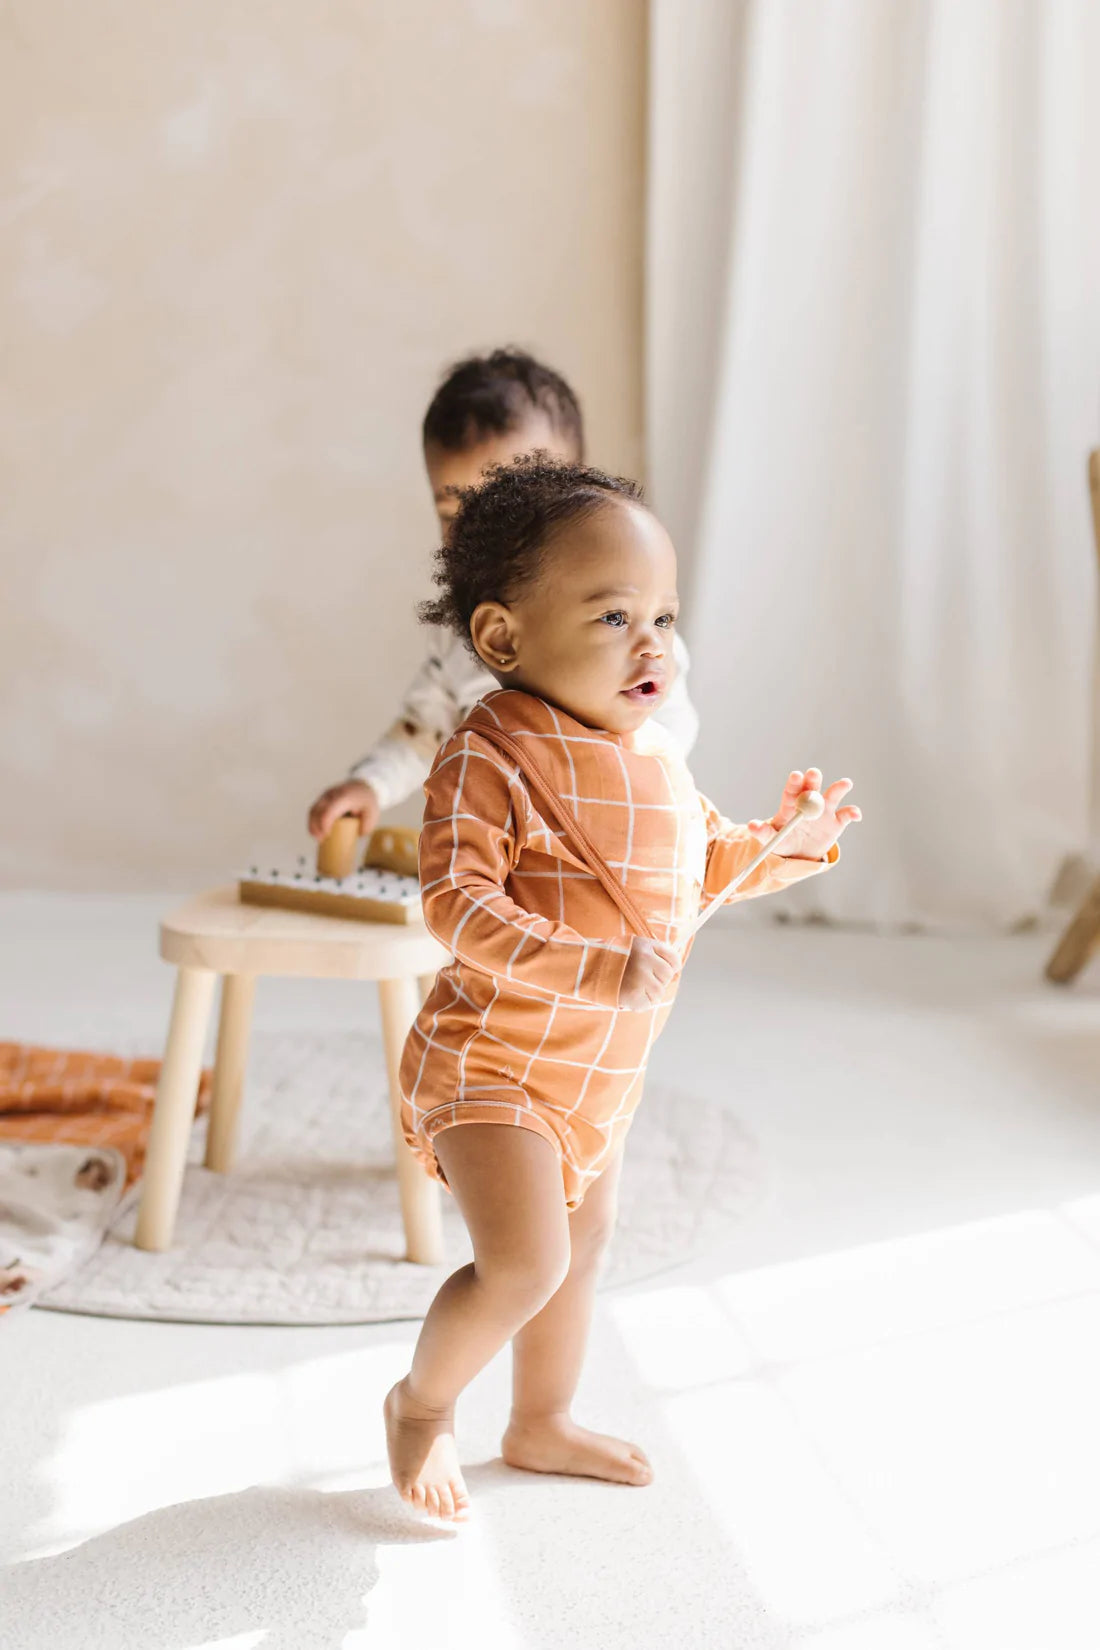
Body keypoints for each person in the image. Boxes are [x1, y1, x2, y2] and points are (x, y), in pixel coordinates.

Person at [384, 456, 861, 1522]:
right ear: (504, 639)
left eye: (663, 616)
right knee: (521, 1264)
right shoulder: (490, 750)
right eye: (612, 617)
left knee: (580, 1252)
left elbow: (703, 871)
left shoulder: (651, 759)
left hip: (595, 1079)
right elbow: (454, 906)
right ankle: (421, 1405)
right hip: (494, 1064)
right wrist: (591, 964)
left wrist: (791, 844)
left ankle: (538, 1421)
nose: (652, 645)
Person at [307, 350, 698, 844]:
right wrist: (371, 784)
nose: (481, 535)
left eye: (516, 506)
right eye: (454, 513)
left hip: (610, 841)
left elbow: (669, 720)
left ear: (575, 490)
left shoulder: (628, 628)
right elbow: (424, 728)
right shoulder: (460, 637)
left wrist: (631, 778)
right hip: (505, 850)